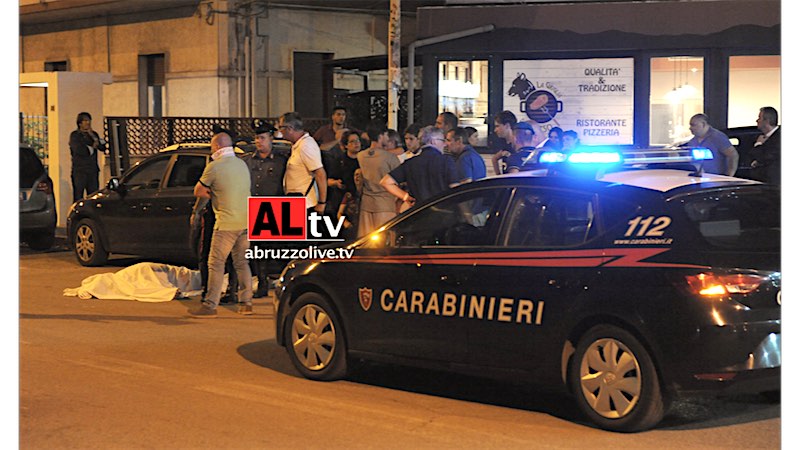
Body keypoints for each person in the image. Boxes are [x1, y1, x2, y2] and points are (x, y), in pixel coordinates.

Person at [189, 131, 253, 317]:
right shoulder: (242, 164)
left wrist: (199, 208)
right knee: (242, 262)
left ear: (217, 147)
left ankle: (210, 304)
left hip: (226, 224)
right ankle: (246, 303)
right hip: (247, 221)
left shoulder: (214, 167)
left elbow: (199, 191)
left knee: (216, 263)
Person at [242, 122, 287, 298]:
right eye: (257, 138)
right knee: (257, 249)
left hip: (274, 207)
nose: (259, 142)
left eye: (262, 138)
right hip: (254, 207)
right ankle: (261, 283)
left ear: (270, 139)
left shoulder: (281, 161)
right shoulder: (248, 160)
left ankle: (280, 282)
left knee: (275, 248)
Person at [380, 126, 459, 210]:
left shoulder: (410, 163)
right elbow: (455, 190)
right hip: (444, 213)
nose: (445, 144)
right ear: (433, 141)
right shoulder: (446, 161)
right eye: (443, 140)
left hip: (419, 214)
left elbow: (386, 182)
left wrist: (406, 197)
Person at [279, 112, 328, 215]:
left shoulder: (306, 146)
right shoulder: (298, 145)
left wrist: (322, 203)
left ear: (290, 128)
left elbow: (320, 173)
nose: (280, 131)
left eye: (281, 127)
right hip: (297, 201)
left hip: (305, 204)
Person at [357, 125, 401, 236]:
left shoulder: (360, 156)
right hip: (386, 204)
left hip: (366, 205)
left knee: (365, 243)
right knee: (384, 243)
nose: (388, 138)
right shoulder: (390, 158)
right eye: (386, 135)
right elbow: (400, 180)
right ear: (380, 136)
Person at [69, 112, 106, 201]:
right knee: (78, 195)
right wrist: (92, 147)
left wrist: (93, 137)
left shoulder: (93, 134)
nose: (88, 123)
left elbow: (102, 146)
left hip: (92, 170)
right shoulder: (75, 135)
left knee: (93, 195)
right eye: (85, 121)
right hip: (80, 170)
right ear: (80, 123)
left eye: (89, 120)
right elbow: (79, 150)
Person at [325, 130, 362, 217]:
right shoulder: (339, 161)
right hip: (343, 201)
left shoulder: (364, 160)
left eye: (358, 140)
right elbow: (328, 180)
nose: (356, 143)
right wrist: (336, 183)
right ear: (346, 145)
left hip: (361, 201)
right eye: (352, 141)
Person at [750, 106, 780, 185]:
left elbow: (765, 157)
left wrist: (758, 144)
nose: (757, 121)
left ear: (767, 121)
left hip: (774, 185)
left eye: (759, 118)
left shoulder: (779, 138)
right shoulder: (766, 137)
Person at [490, 111, 517, 175]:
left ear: (507, 126)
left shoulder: (517, 144)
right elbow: (494, 159)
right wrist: (498, 176)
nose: (495, 130)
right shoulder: (505, 143)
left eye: (497, 126)